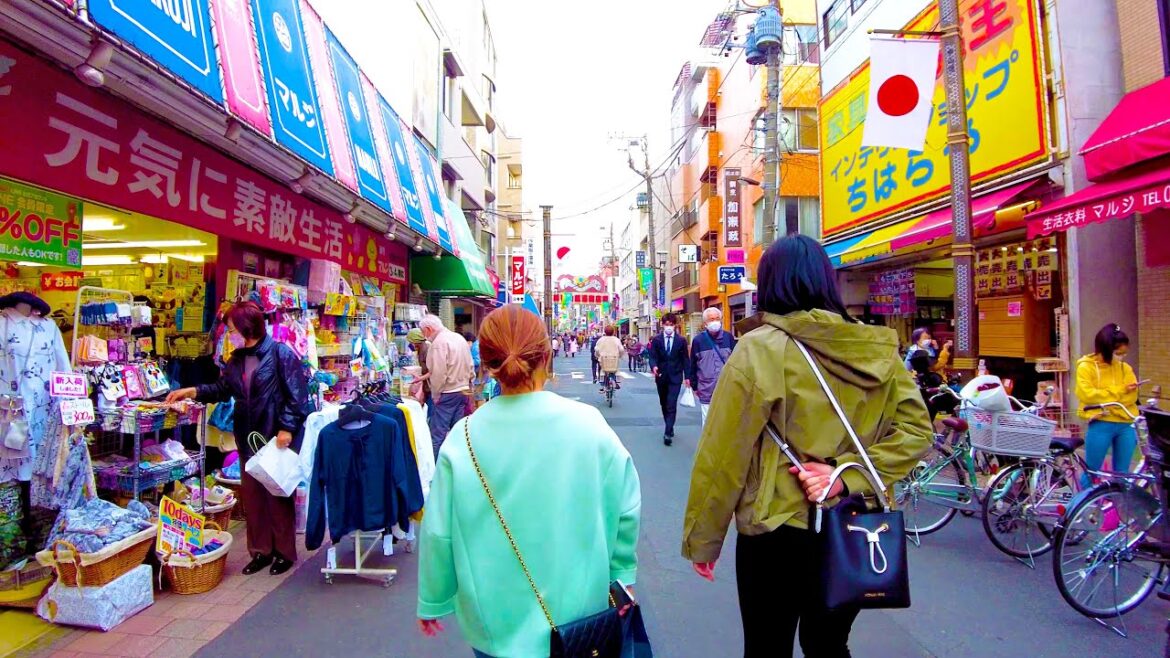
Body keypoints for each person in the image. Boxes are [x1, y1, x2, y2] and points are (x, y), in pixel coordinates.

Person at [680, 235, 933, 658]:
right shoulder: (877, 349)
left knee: (766, 647)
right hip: (851, 526)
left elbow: (723, 456)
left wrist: (704, 540)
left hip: (775, 530)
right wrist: (843, 477)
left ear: (771, 285)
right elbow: (917, 431)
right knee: (830, 645)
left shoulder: (759, 349)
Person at [416, 305, 642, 658]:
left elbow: (438, 530)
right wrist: (622, 571)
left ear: (488, 366)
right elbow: (626, 505)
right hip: (579, 614)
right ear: (547, 355)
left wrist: (433, 597)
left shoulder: (464, 438)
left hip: (494, 619)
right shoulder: (588, 424)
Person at [167, 301, 309, 576]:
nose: (229, 335)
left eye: (231, 329)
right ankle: (261, 551)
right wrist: (192, 391)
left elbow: (297, 396)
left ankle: (284, 552)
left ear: (246, 327)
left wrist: (287, 428)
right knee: (253, 497)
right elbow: (222, 389)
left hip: (273, 436)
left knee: (277, 495)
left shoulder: (280, 354)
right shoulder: (236, 360)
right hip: (246, 436)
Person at [1076, 324, 1141, 486]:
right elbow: (1087, 395)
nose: (1122, 357)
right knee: (1092, 471)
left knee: (1122, 474)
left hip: (1127, 423)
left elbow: (1132, 396)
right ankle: (1085, 508)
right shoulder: (1086, 367)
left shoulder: (1125, 368)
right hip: (1101, 422)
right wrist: (1120, 392)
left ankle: (1119, 508)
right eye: (1118, 353)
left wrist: (1105, 402)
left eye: (1124, 353)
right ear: (1105, 349)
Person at [418, 314, 474, 457]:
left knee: (437, 434)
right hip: (463, 389)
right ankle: (461, 462)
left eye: (423, 332)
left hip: (448, 392)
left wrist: (436, 394)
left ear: (429, 329)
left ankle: (434, 471)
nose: (424, 336)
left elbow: (439, 373)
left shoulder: (438, 344)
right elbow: (470, 364)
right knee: (459, 432)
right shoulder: (458, 338)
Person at [688, 307, 736, 426]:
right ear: (705, 323)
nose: (715, 321)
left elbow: (736, 362)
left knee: (726, 421)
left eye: (717, 318)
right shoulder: (698, 341)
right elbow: (693, 364)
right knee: (708, 422)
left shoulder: (728, 337)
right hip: (706, 387)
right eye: (711, 319)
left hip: (727, 387)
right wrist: (694, 386)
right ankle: (708, 444)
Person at [649, 314, 690, 446]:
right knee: (664, 403)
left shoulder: (681, 341)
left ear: (675, 325)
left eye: (671, 324)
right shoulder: (656, 340)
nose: (669, 327)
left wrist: (688, 377)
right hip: (661, 376)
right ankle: (669, 424)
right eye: (666, 324)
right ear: (662, 325)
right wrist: (654, 366)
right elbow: (652, 356)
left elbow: (685, 359)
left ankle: (667, 432)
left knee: (671, 403)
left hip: (676, 377)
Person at [594, 325, 625, 393]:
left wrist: (597, 355)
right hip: (614, 359)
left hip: (603, 359)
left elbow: (596, 349)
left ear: (605, 332)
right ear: (613, 332)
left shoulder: (601, 340)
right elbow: (621, 349)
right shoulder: (616, 340)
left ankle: (602, 385)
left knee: (603, 370)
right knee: (614, 369)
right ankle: (614, 381)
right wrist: (620, 356)